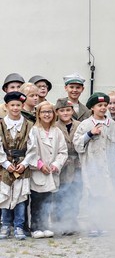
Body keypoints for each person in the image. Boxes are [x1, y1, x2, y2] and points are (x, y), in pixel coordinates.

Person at [73, 92, 115, 236]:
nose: (103, 108)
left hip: (109, 168)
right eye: (99, 106)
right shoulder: (85, 124)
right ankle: (92, 224)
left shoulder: (112, 125)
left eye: (105, 105)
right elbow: (77, 144)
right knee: (93, 197)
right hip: (92, 167)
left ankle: (103, 223)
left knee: (106, 197)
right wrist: (90, 134)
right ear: (92, 108)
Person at [0, 91, 37, 240]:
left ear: (22, 106)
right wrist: (5, 163)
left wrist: (25, 163)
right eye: (12, 105)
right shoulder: (1, 125)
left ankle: (19, 226)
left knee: (21, 198)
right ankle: (5, 225)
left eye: (18, 105)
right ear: (7, 106)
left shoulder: (29, 125)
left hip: (22, 164)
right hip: (5, 165)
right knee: (4, 195)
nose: (15, 108)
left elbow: (33, 147)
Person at [29, 102, 67, 239]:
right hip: (38, 172)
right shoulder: (34, 131)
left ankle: (45, 226)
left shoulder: (57, 132)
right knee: (37, 201)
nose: (47, 114)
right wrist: (39, 164)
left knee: (48, 201)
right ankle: (35, 227)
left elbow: (63, 151)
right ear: (38, 114)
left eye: (49, 112)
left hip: (51, 172)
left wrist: (56, 164)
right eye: (43, 112)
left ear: (53, 114)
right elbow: (31, 152)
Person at [53, 98, 81, 235]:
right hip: (62, 166)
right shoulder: (54, 126)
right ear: (57, 112)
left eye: (68, 110)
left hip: (77, 165)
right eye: (62, 110)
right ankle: (59, 223)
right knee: (60, 195)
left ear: (72, 111)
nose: (65, 113)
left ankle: (72, 221)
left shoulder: (79, 125)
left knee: (75, 194)